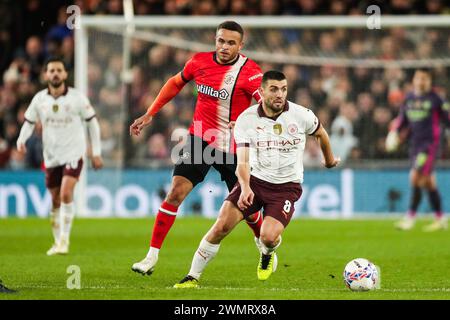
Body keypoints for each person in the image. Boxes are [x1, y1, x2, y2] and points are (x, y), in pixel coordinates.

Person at [173, 70, 339, 288]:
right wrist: (245, 186)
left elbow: (321, 134)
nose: (280, 94)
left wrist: (328, 161)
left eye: (284, 89)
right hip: (256, 181)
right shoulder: (246, 119)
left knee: (268, 237)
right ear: (261, 91)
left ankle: (267, 253)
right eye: (274, 89)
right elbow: (242, 161)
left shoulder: (302, 115)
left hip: (286, 188)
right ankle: (192, 277)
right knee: (222, 225)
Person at [130, 21, 265, 276]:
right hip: (200, 139)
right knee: (175, 193)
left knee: (248, 207)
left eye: (231, 43)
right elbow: (174, 83)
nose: (224, 47)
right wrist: (150, 113)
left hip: (234, 147)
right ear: (215, 40)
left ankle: (264, 245)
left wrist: (249, 120)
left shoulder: (250, 72)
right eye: (220, 41)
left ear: (241, 45)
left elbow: (267, 109)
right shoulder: (199, 61)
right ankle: (150, 257)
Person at [16, 57, 103, 255]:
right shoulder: (39, 99)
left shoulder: (77, 98)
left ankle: (64, 241)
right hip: (52, 156)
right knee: (55, 200)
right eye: (51, 70)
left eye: (59, 70)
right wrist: (21, 140)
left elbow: (92, 123)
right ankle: (57, 242)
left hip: (74, 152)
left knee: (65, 193)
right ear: (46, 74)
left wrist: (95, 153)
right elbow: (29, 122)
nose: (55, 73)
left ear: (65, 74)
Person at [386, 68, 450, 232]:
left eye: (425, 79)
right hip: (415, 144)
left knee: (415, 177)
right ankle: (441, 218)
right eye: (418, 78)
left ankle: (410, 217)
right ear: (414, 80)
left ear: (429, 81)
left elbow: (447, 119)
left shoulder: (436, 99)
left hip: (430, 145)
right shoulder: (409, 98)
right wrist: (394, 132)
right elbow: (403, 119)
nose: (421, 82)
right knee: (429, 182)